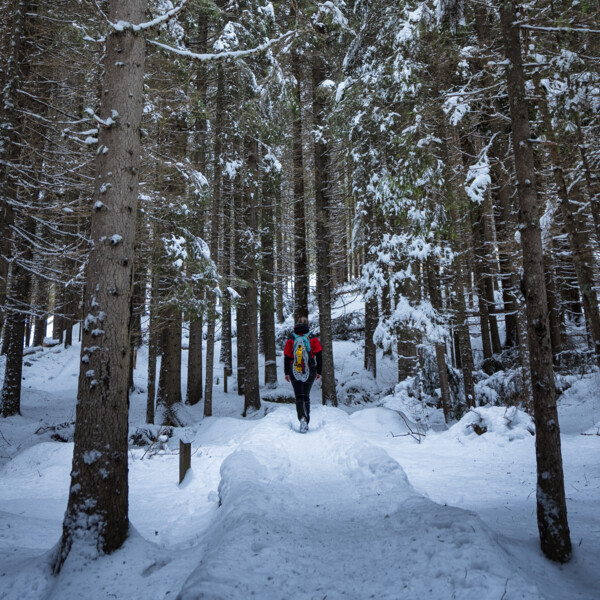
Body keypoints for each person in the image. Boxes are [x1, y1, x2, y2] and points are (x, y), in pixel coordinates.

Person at [284, 317, 322, 432]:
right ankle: (306, 419)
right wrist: (319, 371)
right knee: (306, 396)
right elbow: (319, 355)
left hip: (294, 368)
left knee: (299, 396)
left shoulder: (291, 338)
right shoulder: (313, 338)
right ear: (308, 326)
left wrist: (286, 372)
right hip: (309, 368)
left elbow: (287, 356)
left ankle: (302, 418)